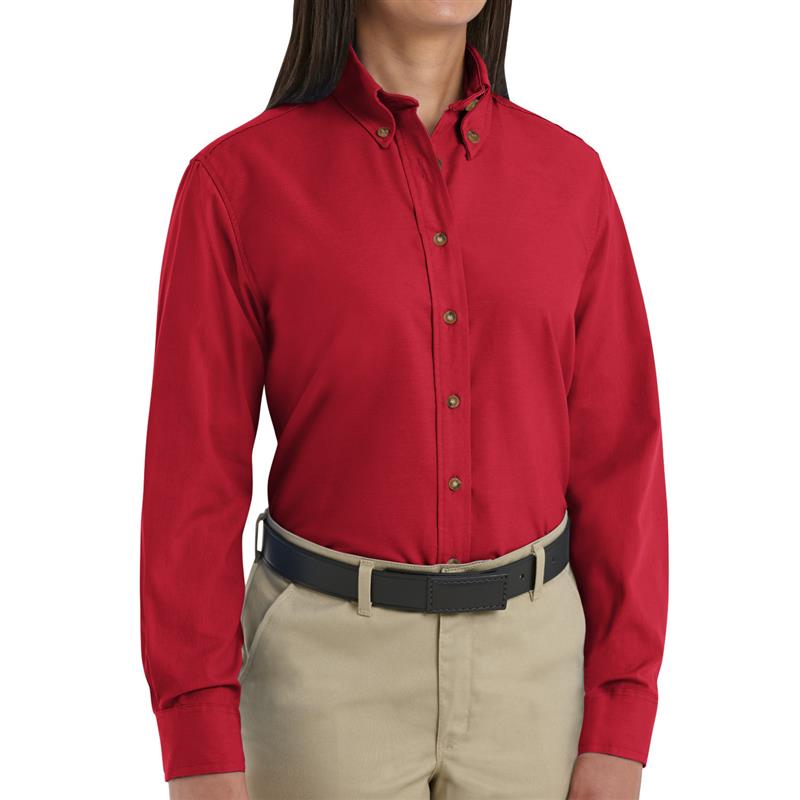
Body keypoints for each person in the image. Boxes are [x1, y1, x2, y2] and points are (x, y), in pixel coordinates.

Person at [140, 1, 669, 798]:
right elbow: (193, 485)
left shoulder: (571, 179)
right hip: (321, 686)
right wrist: (199, 743)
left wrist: (621, 720)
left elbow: (621, 462)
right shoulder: (237, 184)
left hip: (536, 687)